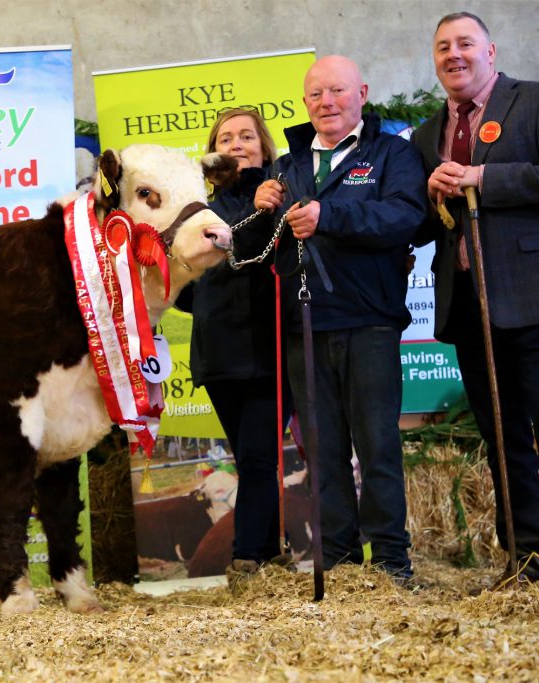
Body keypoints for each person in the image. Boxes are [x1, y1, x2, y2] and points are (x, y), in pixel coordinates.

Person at [410, 12, 539, 587]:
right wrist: (430, 192)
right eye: (443, 47)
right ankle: (525, 555)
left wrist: (483, 179)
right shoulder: (424, 136)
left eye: (465, 43)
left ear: (490, 50)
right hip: (469, 303)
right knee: (501, 433)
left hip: (536, 297)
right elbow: (419, 227)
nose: (454, 55)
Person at [252, 55, 427, 584]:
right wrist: (262, 210)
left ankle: (393, 563)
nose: (326, 102)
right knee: (323, 452)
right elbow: (265, 252)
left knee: (377, 445)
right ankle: (343, 563)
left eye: (337, 91)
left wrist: (332, 215)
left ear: (362, 93)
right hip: (305, 325)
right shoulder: (286, 165)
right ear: (304, 102)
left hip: (370, 319)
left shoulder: (392, 153)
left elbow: (406, 216)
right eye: (315, 94)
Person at [175, 107, 293, 587]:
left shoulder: (283, 193)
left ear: (265, 148)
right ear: (213, 155)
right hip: (219, 351)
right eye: (226, 138)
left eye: (247, 136)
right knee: (249, 456)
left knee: (261, 454)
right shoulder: (196, 211)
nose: (237, 144)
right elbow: (180, 280)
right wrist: (205, 299)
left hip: (270, 346)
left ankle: (247, 558)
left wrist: (270, 206)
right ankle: (266, 551)